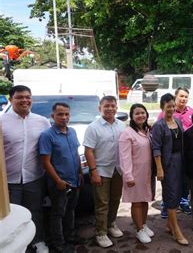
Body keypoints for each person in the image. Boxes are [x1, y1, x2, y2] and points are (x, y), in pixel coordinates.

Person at [1, 85, 50, 253]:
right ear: (10, 100)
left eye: (28, 97)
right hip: (8, 179)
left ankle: (38, 241)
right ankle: (13, 246)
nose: (25, 100)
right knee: (10, 216)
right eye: (19, 97)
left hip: (33, 177)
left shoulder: (42, 121)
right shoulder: (1, 121)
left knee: (35, 211)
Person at [39, 102, 83, 252]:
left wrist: (80, 172)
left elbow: (76, 153)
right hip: (59, 183)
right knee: (58, 213)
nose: (64, 117)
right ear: (53, 116)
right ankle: (59, 243)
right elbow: (45, 162)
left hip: (74, 180)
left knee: (70, 210)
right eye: (60, 114)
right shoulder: (47, 135)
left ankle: (70, 236)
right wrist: (58, 180)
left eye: (66, 114)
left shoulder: (72, 132)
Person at [84, 95, 126, 248]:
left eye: (113, 106)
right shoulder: (93, 127)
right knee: (102, 203)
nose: (110, 108)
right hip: (101, 170)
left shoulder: (121, 125)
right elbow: (88, 151)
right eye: (106, 106)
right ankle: (100, 233)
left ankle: (111, 224)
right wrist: (93, 171)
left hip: (118, 169)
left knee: (115, 199)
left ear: (116, 107)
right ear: (100, 108)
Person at [151, 93, 189, 245]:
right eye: (168, 107)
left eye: (173, 106)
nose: (172, 109)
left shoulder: (178, 121)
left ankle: (169, 225)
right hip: (167, 164)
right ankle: (176, 230)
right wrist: (159, 168)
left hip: (180, 161)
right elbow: (156, 148)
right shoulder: (158, 126)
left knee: (178, 192)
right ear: (162, 107)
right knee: (171, 196)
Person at [118, 104, 155, 244]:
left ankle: (144, 225)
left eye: (143, 113)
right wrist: (128, 175)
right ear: (132, 117)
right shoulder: (127, 133)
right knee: (137, 202)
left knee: (145, 199)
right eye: (137, 113)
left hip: (147, 173)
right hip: (134, 174)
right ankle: (139, 230)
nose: (141, 116)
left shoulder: (147, 131)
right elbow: (124, 156)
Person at [157, 87, 193, 217]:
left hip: (184, 153)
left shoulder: (191, 112)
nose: (183, 99)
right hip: (169, 155)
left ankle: (183, 202)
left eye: (185, 97)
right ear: (175, 97)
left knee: (183, 181)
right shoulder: (163, 116)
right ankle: (166, 206)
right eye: (181, 96)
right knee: (169, 183)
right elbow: (158, 139)